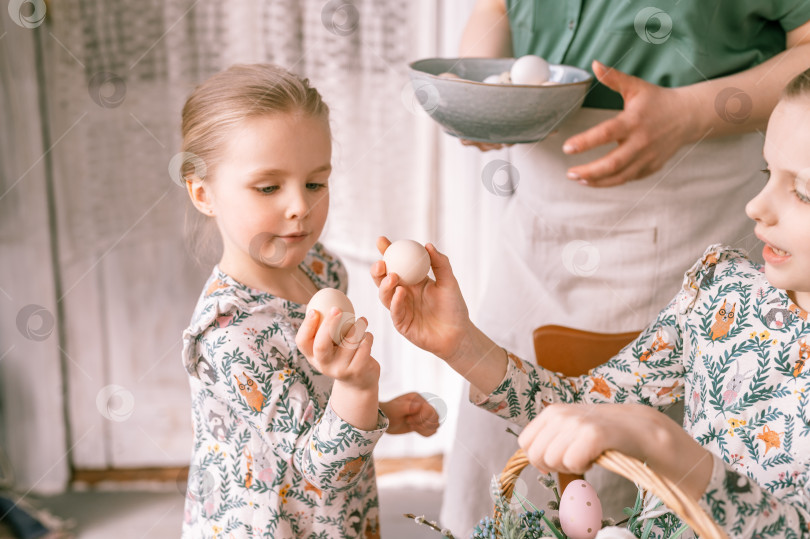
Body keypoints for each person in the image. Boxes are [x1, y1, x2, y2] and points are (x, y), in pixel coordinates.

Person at [372, 68, 810, 537]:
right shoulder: (722, 295)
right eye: (766, 173)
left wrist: (662, 440)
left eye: (803, 191)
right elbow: (580, 406)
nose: (756, 206)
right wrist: (460, 343)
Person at [178, 63, 440, 538]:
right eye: (269, 187)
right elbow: (323, 473)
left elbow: (306, 405)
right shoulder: (230, 333)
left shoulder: (320, 269)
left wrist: (380, 410)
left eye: (315, 183)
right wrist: (359, 388)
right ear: (203, 193)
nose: (300, 205)